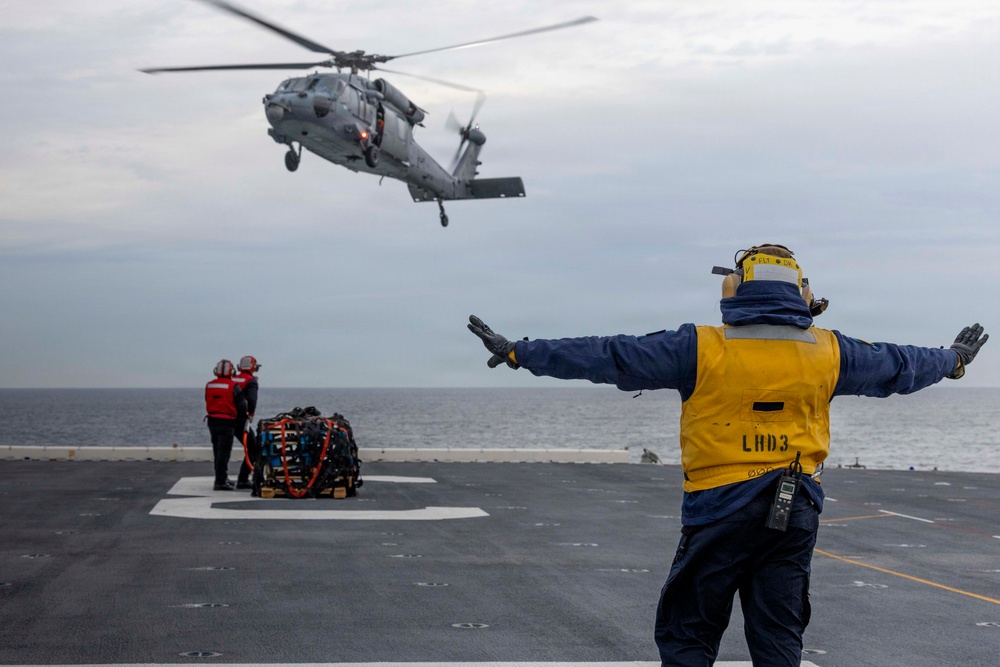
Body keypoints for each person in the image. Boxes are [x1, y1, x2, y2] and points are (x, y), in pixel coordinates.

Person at [467, 243, 988, 667]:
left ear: (736, 288)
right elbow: (901, 365)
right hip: (795, 504)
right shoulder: (830, 351)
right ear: (801, 294)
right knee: (779, 634)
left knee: (689, 632)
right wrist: (954, 360)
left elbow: (608, 354)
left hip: (719, 506)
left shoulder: (700, 347)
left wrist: (521, 352)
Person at [204, 359, 247, 492]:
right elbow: (242, 406)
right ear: (232, 371)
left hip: (212, 421)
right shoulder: (233, 386)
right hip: (227, 422)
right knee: (224, 453)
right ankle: (220, 482)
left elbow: (207, 399)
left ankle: (222, 478)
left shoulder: (209, 385)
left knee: (217, 452)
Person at [233, 355, 261, 490]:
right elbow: (252, 400)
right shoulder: (251, 381)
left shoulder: (234, 379)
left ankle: (221, 479)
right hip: (240, 419)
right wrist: (251, 414)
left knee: (222, 451)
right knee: (253, 447)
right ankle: (243, 479)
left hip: (228, 419)